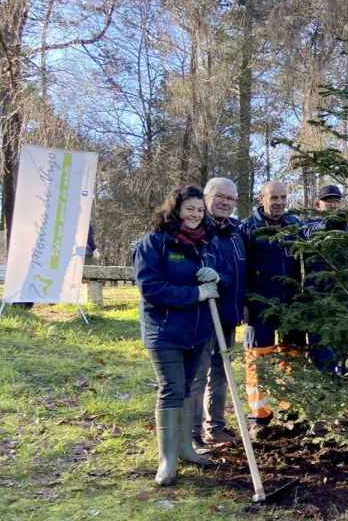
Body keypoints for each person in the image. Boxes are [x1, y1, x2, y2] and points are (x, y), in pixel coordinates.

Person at [133, 185, 220, 486]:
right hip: (165, 330)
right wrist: (195, 293)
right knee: (171, 388)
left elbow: (220, 273)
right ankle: (167, 459)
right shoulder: (153, 244)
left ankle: (185, 447)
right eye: (189, 209)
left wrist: (216, 274)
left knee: (186, 388)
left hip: (196, 332)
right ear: (175, 210)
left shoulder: (204, 243)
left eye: (199, 209)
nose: (195, 215)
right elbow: (151, 289)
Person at [241, 181, 304, 437]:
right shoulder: (248, 228)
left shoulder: (295, 226)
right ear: (262, 198)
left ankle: (292, 412)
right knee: (258, 359)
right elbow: (240, 268)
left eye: (283, 197)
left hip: (291, 303)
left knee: (293, 358)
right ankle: (260, 416)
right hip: (259, 304)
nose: (278, 202)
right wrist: (243, 302)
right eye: (273, 197)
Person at [190, 178, 246, 446]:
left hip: (227, 313)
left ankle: (216, 426)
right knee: (199, 373)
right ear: (206, 197)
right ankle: (192, 432)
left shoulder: (237, 231)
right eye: (220, 196)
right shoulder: (196, 227)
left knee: (221, 371)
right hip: (201, 313)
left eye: (231, 199)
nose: (225, 202)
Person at [301, 184, 348, 374]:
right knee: (320, 341)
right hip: (317, 295)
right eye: (327, 201)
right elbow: (311, 235)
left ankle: (341, 374)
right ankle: (325, 379)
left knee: (342, 340)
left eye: (336, 200)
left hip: (342, 293)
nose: (332, 205)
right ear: (317, 204)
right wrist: (334, 225)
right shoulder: (309, 226)